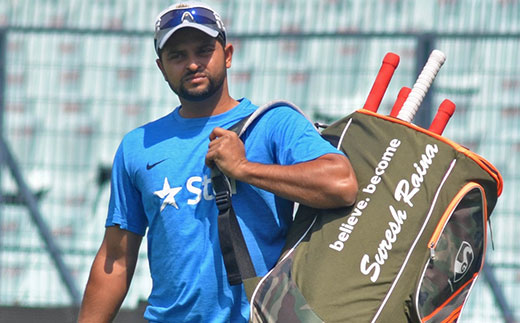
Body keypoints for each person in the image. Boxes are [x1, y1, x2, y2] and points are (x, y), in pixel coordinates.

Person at [78, 2, 358, 322]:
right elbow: (116, 258)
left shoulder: (273, 122)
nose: (193, 64)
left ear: (227, 55)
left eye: (203, 50)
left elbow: (342, 184)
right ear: (161, 67)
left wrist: (244, 169)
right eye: (177, 55)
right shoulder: (137, 146)